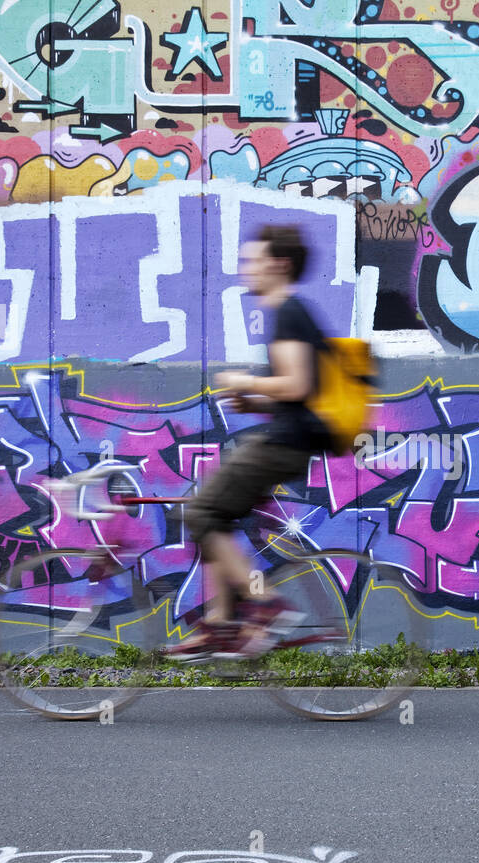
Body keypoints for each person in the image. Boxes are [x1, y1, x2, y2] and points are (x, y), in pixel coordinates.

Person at [162, 225, 334, 660]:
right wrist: (252, 399)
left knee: (201, 512)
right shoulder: (288, 313)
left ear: (280, 264)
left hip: (285, 445)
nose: (245, 269)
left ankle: (263, 601)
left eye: (253, 260)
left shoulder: (290, 311)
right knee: (216, 517)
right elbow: (301, 396)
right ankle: (220, 624)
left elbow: (296, 385)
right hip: (288, 437)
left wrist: (246, 380)